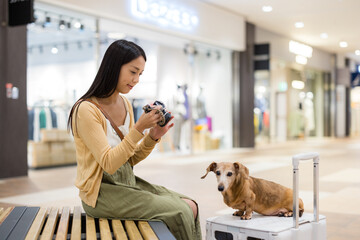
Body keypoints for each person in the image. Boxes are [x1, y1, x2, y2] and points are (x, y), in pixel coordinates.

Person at [67, 39, 202, 239]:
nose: (136, 79)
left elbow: (129, 160)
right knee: (180, 211)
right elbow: (109, 163)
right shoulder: (86, 109)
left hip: (127, 185)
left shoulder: (125, 104)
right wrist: (139, 128)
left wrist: (153, 137)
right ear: (113, 67)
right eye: (133, 71)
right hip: (101, 195)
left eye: (140, 73)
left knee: (190, 204)